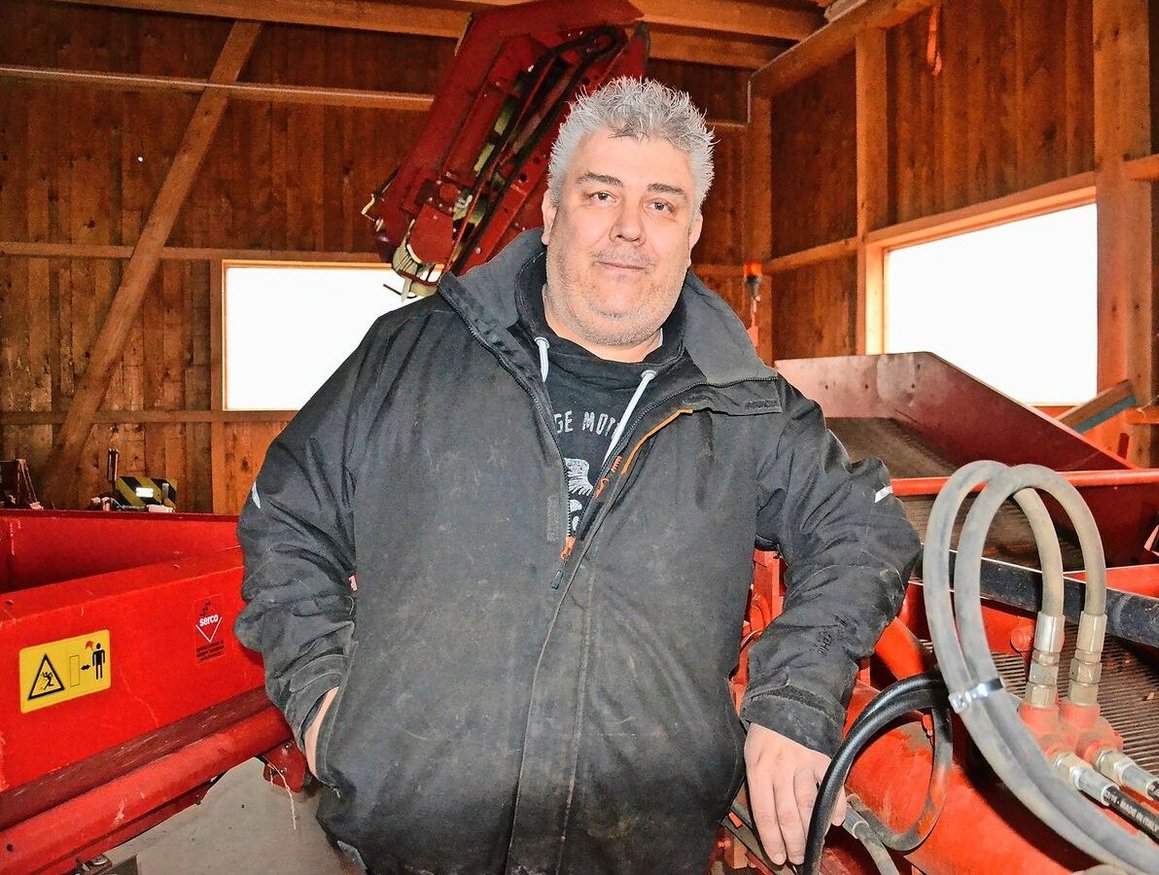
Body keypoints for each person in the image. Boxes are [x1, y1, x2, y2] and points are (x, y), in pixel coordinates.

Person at [235, 77, 920, 875]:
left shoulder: (744, 404)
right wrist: (323, 699)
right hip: (412, 851)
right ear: (553, 210)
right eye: (602, 194)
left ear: (693, 228)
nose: (630, 229)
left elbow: (864, 525)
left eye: (662, 204)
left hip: (638, 854)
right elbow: (285, 515)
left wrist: (797, 697)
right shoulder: (409, 357)